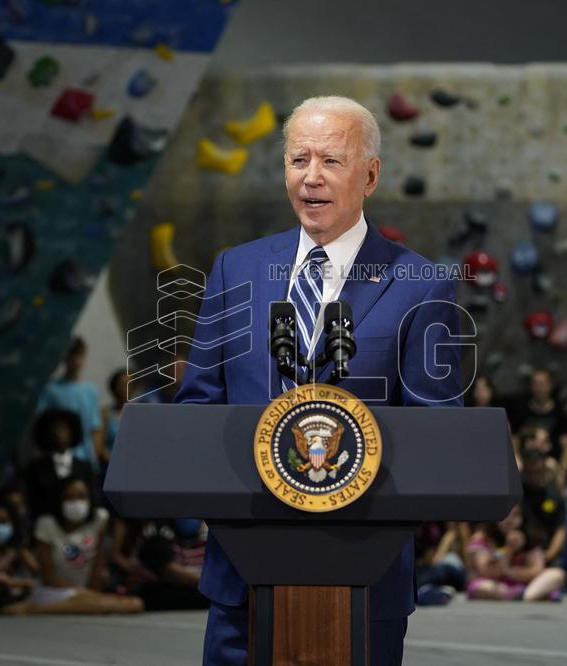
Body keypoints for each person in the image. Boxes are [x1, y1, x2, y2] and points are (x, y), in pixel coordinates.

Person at [174, 95, 464, 665]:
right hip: (243, 568)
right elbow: (198, 404)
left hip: (363, 570)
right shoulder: (237, 268)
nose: (311, 178)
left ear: (371, 175)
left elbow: (436, 429)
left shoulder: (421, 284)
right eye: (297, 160)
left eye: (331, 161)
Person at [0, 477, 144, 616]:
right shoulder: (46, 524)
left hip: (84, 592)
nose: (76, 503)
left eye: (81, 497)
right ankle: (37, 609)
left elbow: (97, 565)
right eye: (69, 498)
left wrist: (93, 594)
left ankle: (37, 609)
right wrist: (82, 594)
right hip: (53, 590)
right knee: (94, 604)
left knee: (135, 604)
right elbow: (47, 576)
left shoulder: (99, 519)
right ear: (60, 501)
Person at [465, 504, 565, 601]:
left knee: (557, 574)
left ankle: (525, 596)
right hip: (495, 583)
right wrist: (509, 550)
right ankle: (536, 595)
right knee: (484, 587)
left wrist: (509, 572)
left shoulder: (529, 537)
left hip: (524, 585)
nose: (510, 520)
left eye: (515, 515)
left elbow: (536, 569)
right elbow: (486, 571)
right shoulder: (482, 539)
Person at [36, 337, 106, 470]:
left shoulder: (91, 391)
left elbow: (96, 428)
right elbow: (43, 425)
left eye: (80, 355)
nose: (76, 361)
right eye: (72, 355)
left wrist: (94, 457)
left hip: (85, 460)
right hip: (58, 459)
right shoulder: (50, 389)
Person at [26, 408, 96, 521]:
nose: (58, 432)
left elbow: (93, 500)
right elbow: (33, 502)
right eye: (54, 428)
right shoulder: (36, 467)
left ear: (72, 432)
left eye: (63, 428)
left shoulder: (84, 467)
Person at [513, 369, 567, 487]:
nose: (539, 388)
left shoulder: (559, 411)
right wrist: (517, 463)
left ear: (550, 385)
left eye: (543, 384)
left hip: (551, 464)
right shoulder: (521, 410)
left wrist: (562, 472)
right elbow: (514, 440)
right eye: (536, 384)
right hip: (525, 464)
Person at [518, 427, 566, 561]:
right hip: (518, 553)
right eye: (530, 472)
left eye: (538, 472)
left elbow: (560, 529)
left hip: (547, 552)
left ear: (545, 467)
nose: (534, 476)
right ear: (524, 468)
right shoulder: (515, 493)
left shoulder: (553, 494)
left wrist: (549, 555)